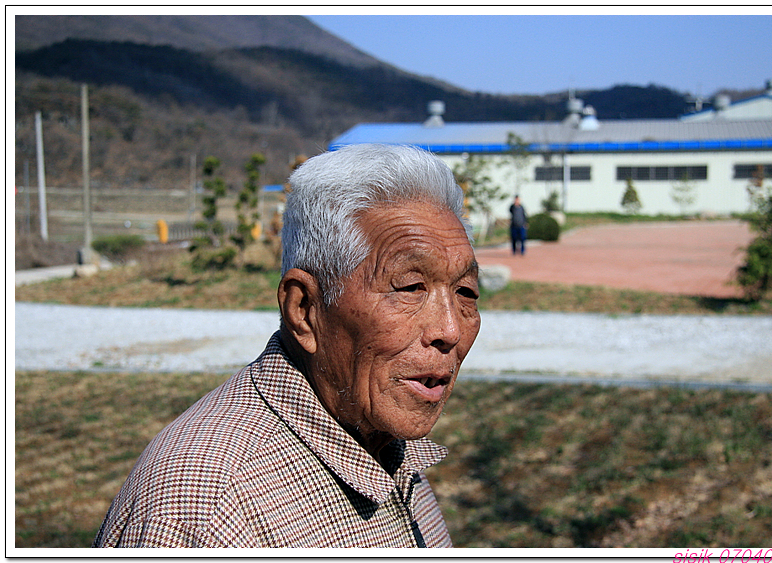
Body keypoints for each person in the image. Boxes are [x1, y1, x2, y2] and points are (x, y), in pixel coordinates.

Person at [92, 144, 481, 548]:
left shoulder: (382, 442)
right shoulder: (208, 509)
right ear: (304, 308)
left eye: (466, 292)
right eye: (410, 287)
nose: (450, 329)